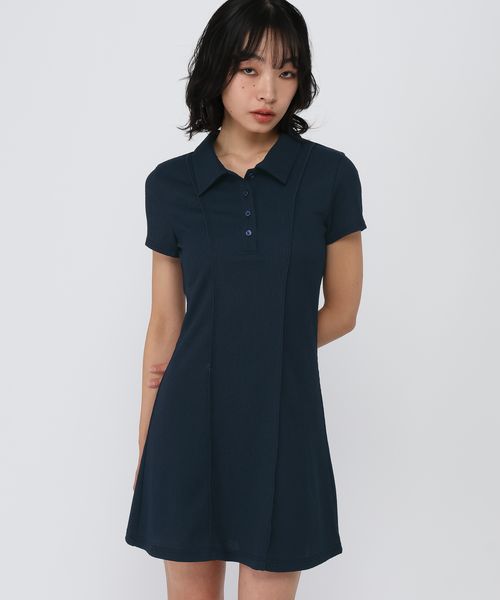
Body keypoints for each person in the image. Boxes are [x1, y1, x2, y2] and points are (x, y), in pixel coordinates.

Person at [125, 1, 367, 598]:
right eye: (250, 69)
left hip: (284, 419)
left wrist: (259, 346)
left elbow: (343, 312)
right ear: (218, 71)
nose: (269, 91)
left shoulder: (330, 177)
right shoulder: (170, 184)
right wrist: (147, 448)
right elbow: (164, 325)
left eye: (287, 72)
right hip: (187, 424)